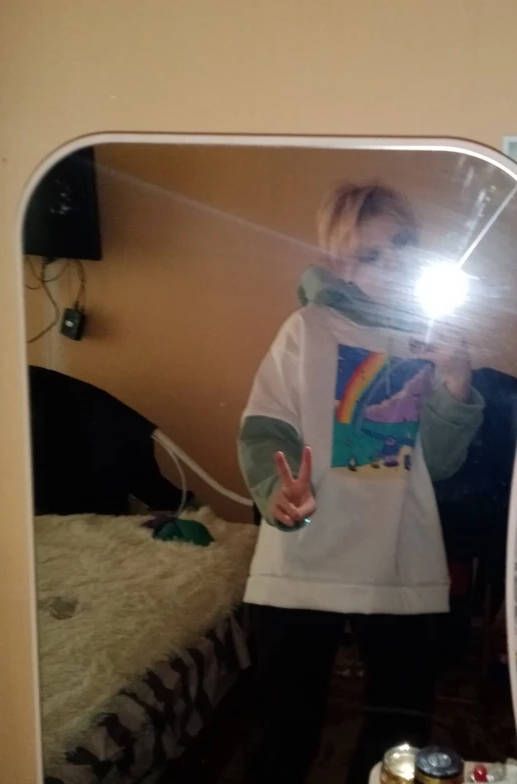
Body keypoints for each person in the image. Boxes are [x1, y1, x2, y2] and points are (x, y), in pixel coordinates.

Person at [238, 184, 484, 784]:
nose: (391, 263)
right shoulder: (307, 328)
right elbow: (267, 424)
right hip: (305, 553)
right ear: (340, 264)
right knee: (283, 724)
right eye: (370, 254)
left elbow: (441, 462)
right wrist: (277, 490)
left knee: (401, 728)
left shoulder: (431, 340)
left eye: (402, 245)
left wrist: (455, 382)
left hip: (400, 554)